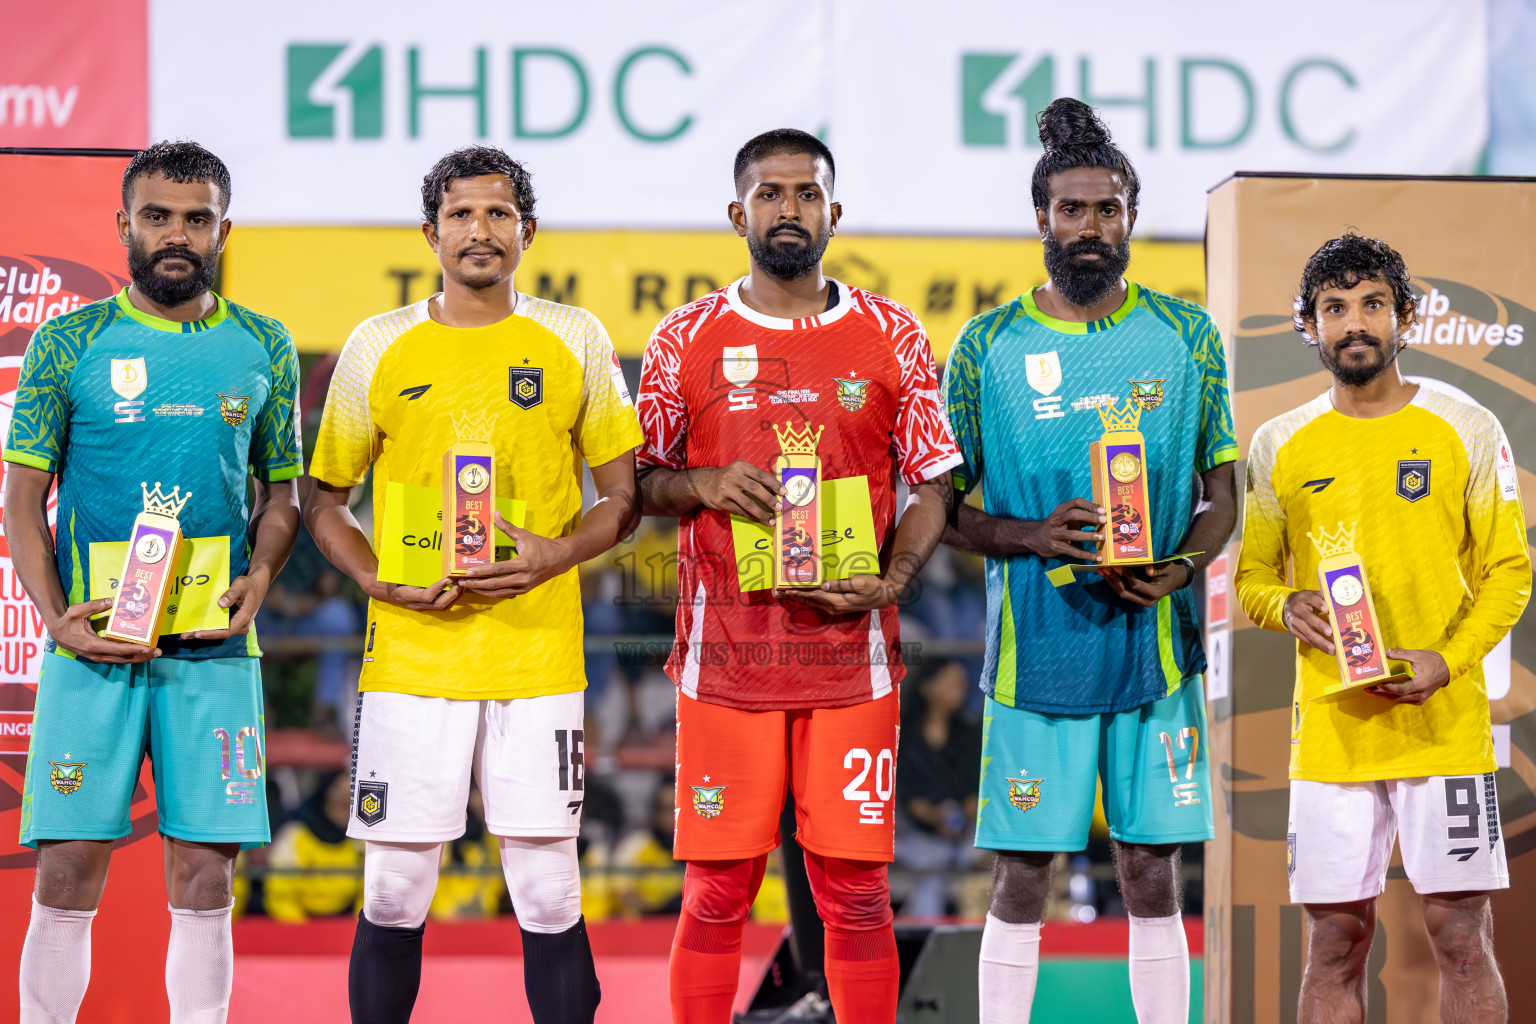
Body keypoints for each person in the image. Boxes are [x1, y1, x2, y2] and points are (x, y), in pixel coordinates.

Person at [303, 145, 642, 1024]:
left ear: (526, 232)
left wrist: (552, 555)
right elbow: (324, 502)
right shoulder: (377, 345)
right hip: (414, 655)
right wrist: (378, 580)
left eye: (498, 215)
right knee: (393, 891)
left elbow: (623, 498)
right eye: (461, 214)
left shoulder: (576, 336)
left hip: (536, 657)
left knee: (547, 892)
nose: (479, 230)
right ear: (431, 232)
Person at [636, 127, 961, 1024]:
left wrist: (894, 578)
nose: (790, 209)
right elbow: (637, 483)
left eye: (807, 194)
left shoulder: (891, 333)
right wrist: (699, 482)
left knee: (854, 893)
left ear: (835, 212)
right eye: (771, 194)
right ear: (738, 212)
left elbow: (934, 483)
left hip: (852, 660)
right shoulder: (682, 339)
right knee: (717, 891)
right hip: (726, 664)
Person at [941, 98, 1237, 1024]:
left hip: (1157, 652)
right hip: (1037, 657)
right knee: (1024, 872)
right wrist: (1027, 535)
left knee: (1153, 869)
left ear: (1132, 218)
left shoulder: (1188, 338)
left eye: (1107, 209)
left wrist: (1182, 569)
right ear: (1041, 219)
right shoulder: (987, 346)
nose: (1090, 227)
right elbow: (935, 508)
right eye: (1072, 210)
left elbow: (1220, 498)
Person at [7, 141, 303, 1023]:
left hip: (213, 644)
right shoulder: (69, 342)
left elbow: (280, 492)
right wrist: (56, 620)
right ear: (126, 225)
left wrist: (261, 575)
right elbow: (23, 498)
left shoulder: (264, 344)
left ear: (222, 228)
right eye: (159, 216)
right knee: (66, 867)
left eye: (197, 218)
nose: (178, 234)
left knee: (208, 867)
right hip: (92, 645)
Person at [1234, 233, 1529, 1024]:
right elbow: (1253, 578)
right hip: (1333, 732)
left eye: (1371, 305)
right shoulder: (1278, 444)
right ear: (1309, 325)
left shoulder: (1464, 426)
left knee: (1460, 935)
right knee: (1334, 940)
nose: (1354, 323)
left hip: (1443, 723)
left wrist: (1449, 660)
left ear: (1407, 314)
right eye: (1335, 309)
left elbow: (1512, 571)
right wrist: (1283, 605)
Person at [894, 660, 982, 918]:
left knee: (986, 850)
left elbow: (974, 791)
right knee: (932, 863)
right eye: (950, 682)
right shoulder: (905, 734)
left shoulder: (969, 732)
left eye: (961, 684)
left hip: (962, 831)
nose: (958, 689)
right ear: (927, 687)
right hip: (914, 831)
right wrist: (933, 815)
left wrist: (965, 812)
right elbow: (908, 799)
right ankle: (927, 933)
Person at [265, 773, 364, 924]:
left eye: (350, 806)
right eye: (341, 804)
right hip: (299, 924)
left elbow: (367, 894)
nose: (345, 813)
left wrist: (357, 926)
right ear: (325, 798)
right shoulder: (296, 836)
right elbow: (280, 896)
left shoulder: (359, 840)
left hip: (345, 924)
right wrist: (303, 931)